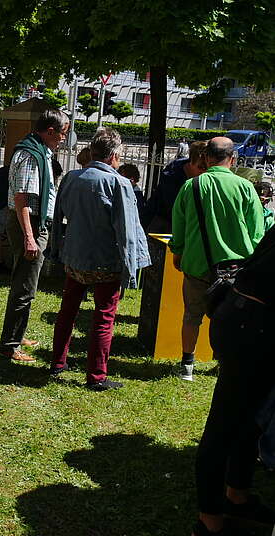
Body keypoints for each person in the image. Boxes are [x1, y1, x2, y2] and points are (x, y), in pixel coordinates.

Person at [49, 128, 151, 391]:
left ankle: (58, 363)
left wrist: (55, 251)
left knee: (68, 310)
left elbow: (57, 220)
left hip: (74, 258)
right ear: (114, 155)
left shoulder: (71, 177)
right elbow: (127, 230)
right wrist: (132, 269)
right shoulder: (119, 183)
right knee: (104, 317)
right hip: (106, 262)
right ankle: (96, 376)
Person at [192, 226, 275, 536]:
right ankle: (209, 522)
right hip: (249, 324)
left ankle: (236, 497)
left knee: (251, 420)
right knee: (224, 425)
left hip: (249, 319)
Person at [169, 137, 264, 381]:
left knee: (192, 315)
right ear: (233, 159)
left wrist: (178, 252)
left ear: (206, 158)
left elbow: (178, 226)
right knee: (232, 319)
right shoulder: (245, 187)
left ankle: (187, 366)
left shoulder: (192, 186)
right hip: (236, 268)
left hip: (197, 264)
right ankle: (224, 363)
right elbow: (257, 233)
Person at [0, 109, 70, 362]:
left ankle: (17, 334)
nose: (64, 138)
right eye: (63, 133)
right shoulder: (31, 154)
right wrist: (30, 236)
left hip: (30, 224)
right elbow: (22, 199)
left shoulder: (38, 151)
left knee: (24, 283)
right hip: (28, 225)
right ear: (50, 131)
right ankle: (10, 345)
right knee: (25, 287)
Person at [140, 141, 207, 233]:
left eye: (208, 168)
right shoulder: (171, 175)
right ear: (191, 162)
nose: (204, 172)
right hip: (162, 223)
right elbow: (173, 208)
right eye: (201, 167)